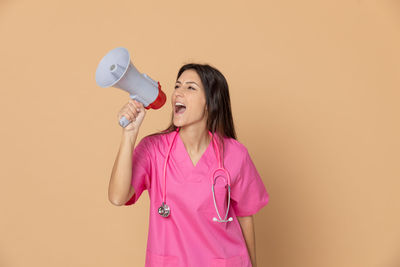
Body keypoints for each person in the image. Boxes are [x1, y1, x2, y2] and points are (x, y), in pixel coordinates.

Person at [108, 63, 269, 267]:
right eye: (177, 86)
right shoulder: (153, 149)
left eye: (190, 87)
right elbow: (117, 197)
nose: (178, 93)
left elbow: (245, 216)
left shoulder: (235, 154)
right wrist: (129, 134)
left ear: (210, 103)